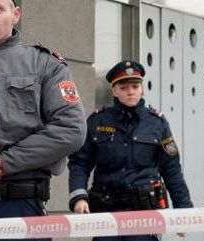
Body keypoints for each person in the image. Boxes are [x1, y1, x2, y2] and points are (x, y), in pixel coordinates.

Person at [0, 0, 87, 231]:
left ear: (15, 15)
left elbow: (71, 130)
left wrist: (4, 162)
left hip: (23, 203)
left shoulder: (45, 65)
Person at [68, 60, 193, 241]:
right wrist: (79, 196)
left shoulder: (157, 123)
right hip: (106, 214)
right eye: (124, 87)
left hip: (143, 215)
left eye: (135, 86)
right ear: (114, 90)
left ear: (141, 88)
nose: (130, 91)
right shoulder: (98, 121)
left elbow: (172, 170)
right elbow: (80, 163)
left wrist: (183, 213)